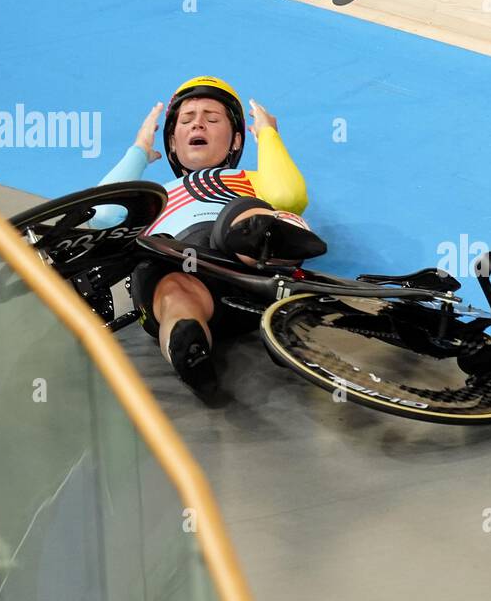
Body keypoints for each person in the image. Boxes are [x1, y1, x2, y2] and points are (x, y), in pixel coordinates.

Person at [92, 76, 325, 390]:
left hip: (246, 261)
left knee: (243, 213)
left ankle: (266, 241)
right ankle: (187, 346)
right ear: (173, 142)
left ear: (237, 141)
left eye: (212, 119)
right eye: (186, 120)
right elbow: (103, 214)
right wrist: (139, 150)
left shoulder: (250, 178)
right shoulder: (155, 194)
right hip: (186, 272)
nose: (197, 124)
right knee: (170, 283)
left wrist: (268, 135)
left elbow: (289, 196)